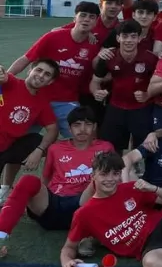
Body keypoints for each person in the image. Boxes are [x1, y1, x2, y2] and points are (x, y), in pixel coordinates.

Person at [0, 107, 112, 258]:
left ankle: (90, 237)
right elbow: (45, 179)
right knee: (28, 181)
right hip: (54, 205)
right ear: (69, 129)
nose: (82, 129)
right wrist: (30, 200)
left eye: (88, 124)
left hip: (84, 206)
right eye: (77, 125)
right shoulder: (56, 148)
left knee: (100, 180)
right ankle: (0, 236)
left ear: (95, 127)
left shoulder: (105, 148)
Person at [6, 1, 101, 140]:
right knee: (16, 139)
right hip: (37, 97)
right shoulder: (52, 37)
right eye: (83, 15)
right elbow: (26, 59)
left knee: (84, 137)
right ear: (75, 17)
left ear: (96, 21)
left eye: (91, 17)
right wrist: (6, 78)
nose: (86, 19)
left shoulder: (94, 47)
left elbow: (95, 75)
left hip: (67, 101)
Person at [90, 19, 159, 154]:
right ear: (118, 38)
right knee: (110, 150)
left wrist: (148, 94)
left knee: (146, 150)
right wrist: (96, 92)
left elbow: (159, 84)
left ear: (139, 38)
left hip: (142, 109)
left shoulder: (150, 59)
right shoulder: (108, 57)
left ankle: (138, 166)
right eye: (125, 36)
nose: (129, 40)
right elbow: (94, 82)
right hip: (115, 108)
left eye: (133, 36)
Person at [0, 60, 61, 205]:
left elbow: (53, 129)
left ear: (50, 81)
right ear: (29, 71)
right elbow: (5, 77)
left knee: (35, 140)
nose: (41, 75)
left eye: (47, 74)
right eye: (39, 70)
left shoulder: (41, 101)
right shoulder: (13, 83)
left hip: (5, 148)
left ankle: (5, 190)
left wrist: (39, 150)